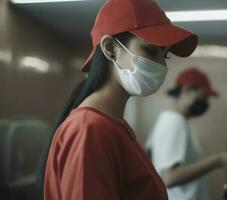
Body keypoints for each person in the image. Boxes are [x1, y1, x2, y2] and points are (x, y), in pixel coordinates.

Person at [38, 0, 198, 199]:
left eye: (165, 56)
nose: (160, 65)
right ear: (110, 49)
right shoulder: (90, 129)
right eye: (150, 50)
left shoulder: (112, 125)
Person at [146, 67, 227, 200]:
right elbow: (169, 177)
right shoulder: (174, 121)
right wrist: (219, 160)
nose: (206, 102)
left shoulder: (174, 121)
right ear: (187, 90)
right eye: (204, 96)